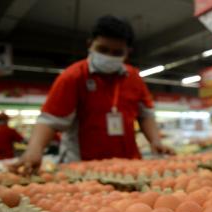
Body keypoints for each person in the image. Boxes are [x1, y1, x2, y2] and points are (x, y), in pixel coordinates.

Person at [15, 15, 173, 173]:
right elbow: (50, 119)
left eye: (117, 52)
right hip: (84, 167)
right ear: (90, 44)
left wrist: (155, 140)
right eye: (103, 50)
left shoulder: (133, 77)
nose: (109, 56)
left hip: (128, 166)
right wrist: (34, 149)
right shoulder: (73, 76)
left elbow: (145, 114)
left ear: (128, 52)